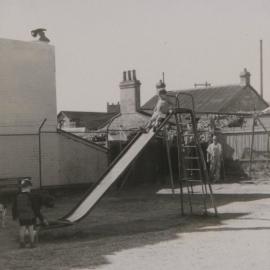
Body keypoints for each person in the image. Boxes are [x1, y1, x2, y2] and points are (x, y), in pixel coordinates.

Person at [12, 178, 36, 248]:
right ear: (28, 187)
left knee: (22, 228)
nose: (30, 188)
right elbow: (33, 206)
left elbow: (14, 206)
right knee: (31, 228)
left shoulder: (17, 196)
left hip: (21, 215)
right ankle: (32, 243)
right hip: (30, 215)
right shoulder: (30, 195)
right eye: (30, 187)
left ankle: (22, 243)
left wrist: (15, 215)